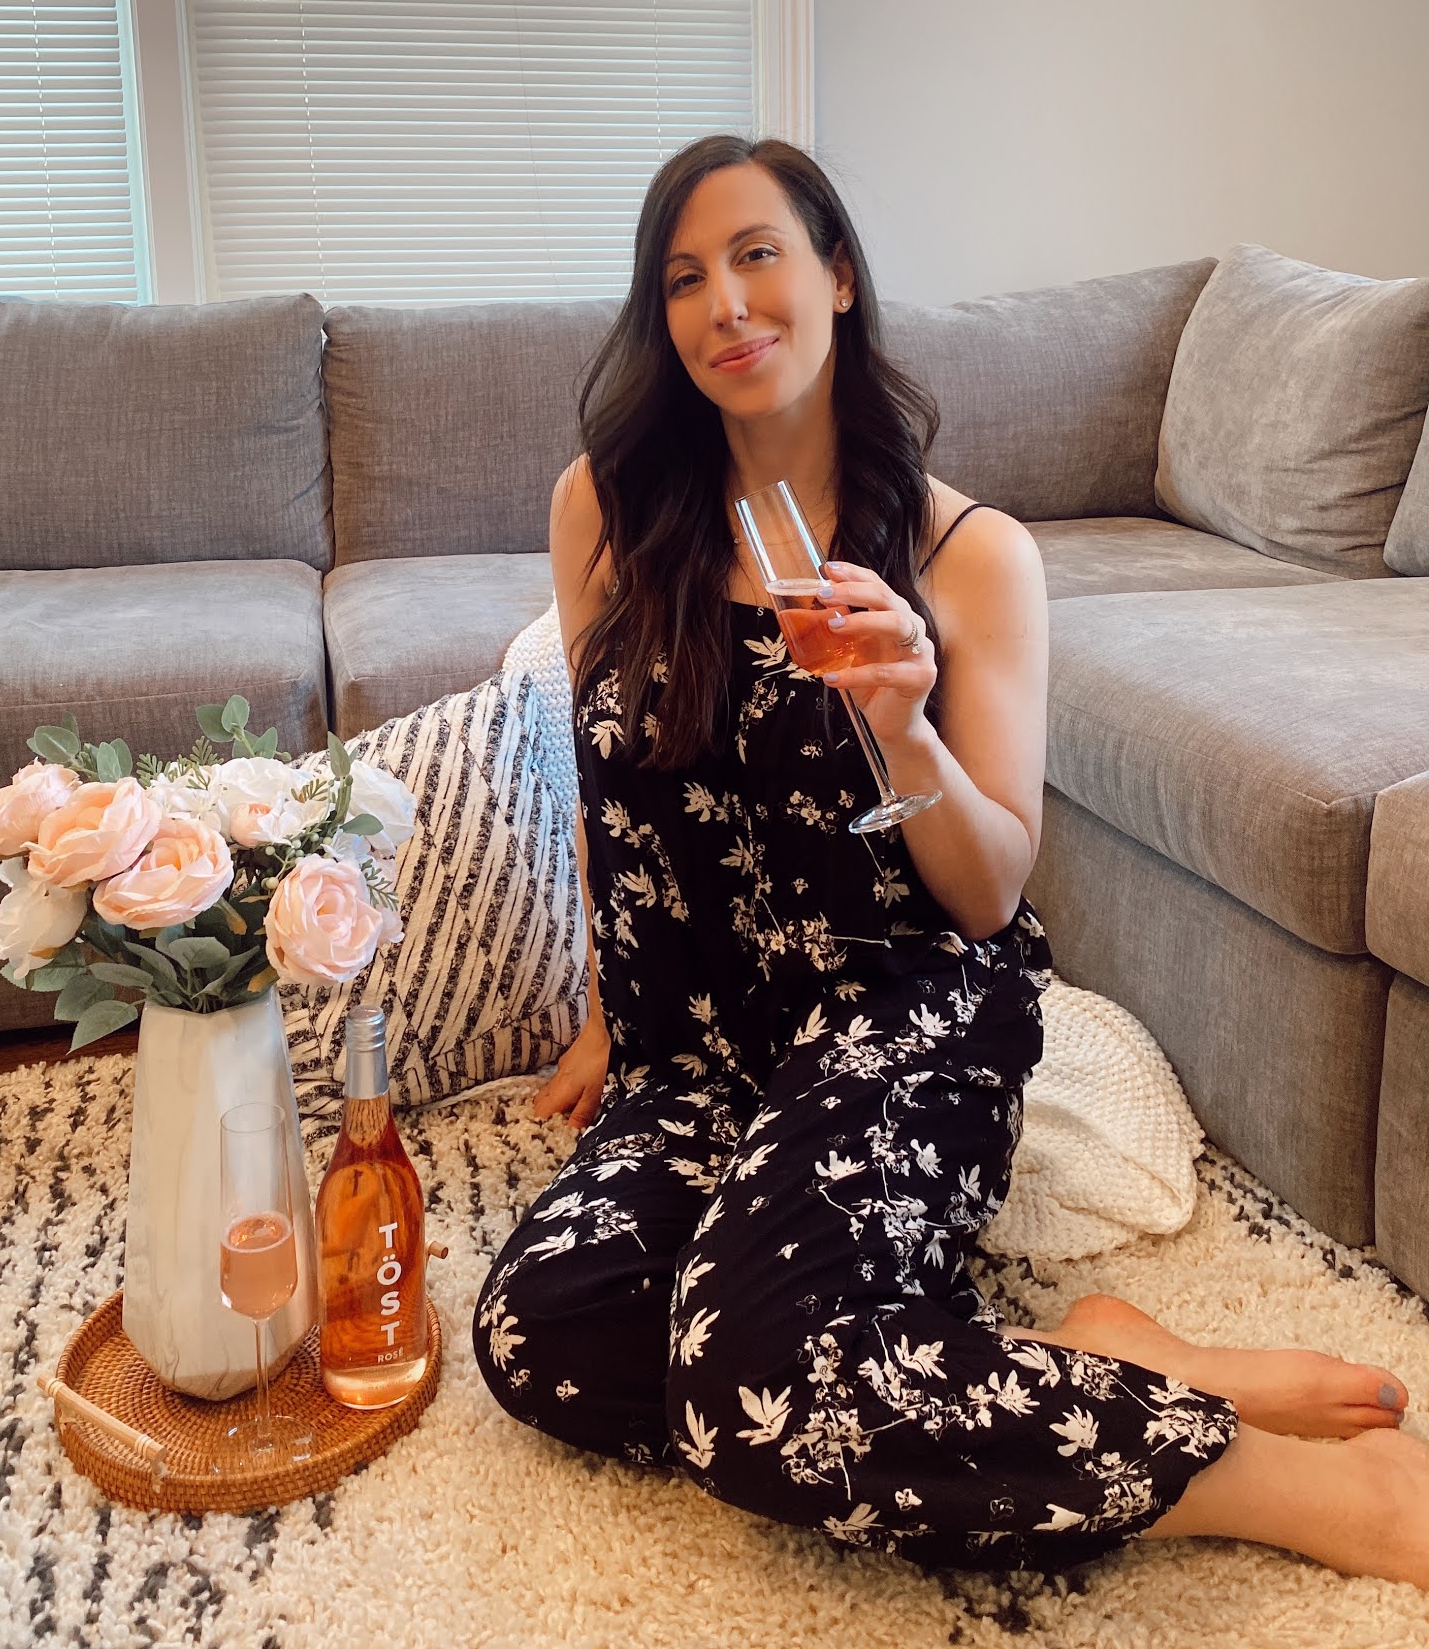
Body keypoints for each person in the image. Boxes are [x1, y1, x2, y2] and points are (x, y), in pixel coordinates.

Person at [472, 134, 1427, 1585]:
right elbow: (617, 805)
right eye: (683, 278)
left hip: (903, 1016)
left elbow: (987, 892)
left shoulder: (971, 557)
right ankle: (1076, 1357)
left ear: (838, 278)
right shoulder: (604, 512)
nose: (726, 304)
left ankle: (1255, 1478)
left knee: (751, 1386)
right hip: (706, 1045)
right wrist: (614, 1011)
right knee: (546, 1332)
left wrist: (903, 727)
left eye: (758, 255)